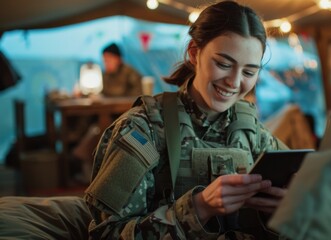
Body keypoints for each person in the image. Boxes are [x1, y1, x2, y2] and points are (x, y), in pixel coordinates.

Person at [84, 1, 289, 239]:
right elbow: (107, 234)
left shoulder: (253, 132)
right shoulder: (143, 130)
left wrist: (286, 210)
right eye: (223, 64)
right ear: (194, 52)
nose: (234, 82)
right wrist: (199, 207)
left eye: (249, 72)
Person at [71, 43, 142, 183]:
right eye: (104, 60)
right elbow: (99, 92)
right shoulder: (105, 75)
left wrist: (109, 98)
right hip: (106, 115)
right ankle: (79, 155)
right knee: (85, 123)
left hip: (124, 117)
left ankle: (81, 158)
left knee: (98, 131)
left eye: (109, 59)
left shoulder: (130, 74)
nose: (106, 63)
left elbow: (136, 98)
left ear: (118, 59)